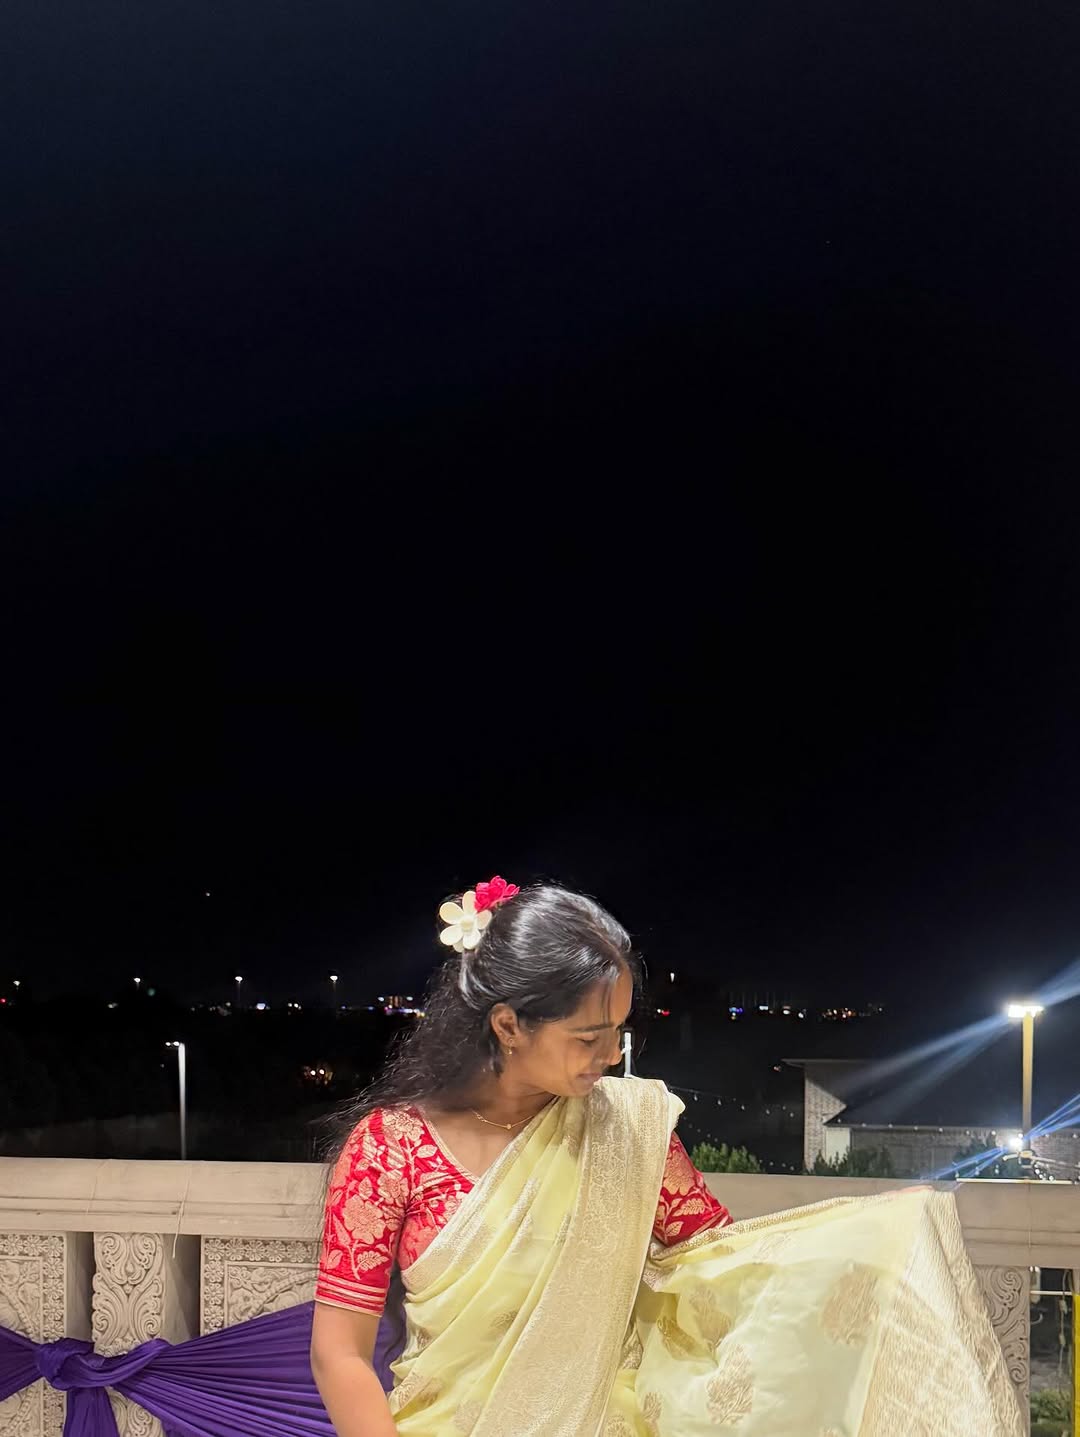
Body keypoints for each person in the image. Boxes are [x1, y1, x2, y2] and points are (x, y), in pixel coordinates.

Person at [311, 879, 1023, 1436]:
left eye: (619, 1030)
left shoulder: (627, 1126)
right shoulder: (390, 1150)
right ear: (508, 1025)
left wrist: (872, 1239)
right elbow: (339, 1352)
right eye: (588, 1035)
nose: (610, 1054)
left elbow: (725, 1265)